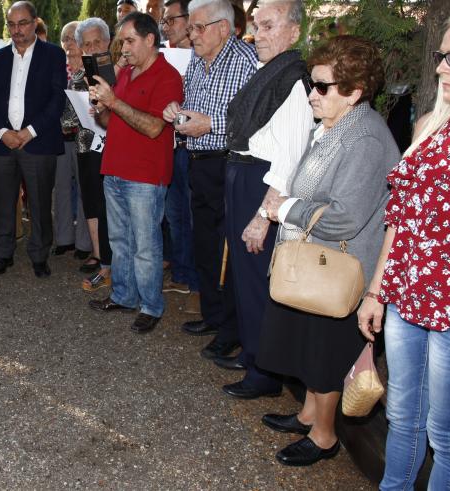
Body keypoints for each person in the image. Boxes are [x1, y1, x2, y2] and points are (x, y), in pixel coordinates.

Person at [356, 5, 450, 488]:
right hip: (407, 298)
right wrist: (377, 291)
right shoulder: (430, 128)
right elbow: (400, 218)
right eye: (442, 56)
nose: (442, 67)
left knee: (449, 435)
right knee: (402, 416)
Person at [255, 34, 398, 467]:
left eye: (322, 87)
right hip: (316, 262)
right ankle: (307, 414)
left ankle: (323, 436)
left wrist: (286, 208)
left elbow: (346, 217)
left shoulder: (366, 139)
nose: (312, 94)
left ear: (354, 91)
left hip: (339, 268)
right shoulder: (337, 125)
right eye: (311, 84)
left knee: (324, 356)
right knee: (307, 347)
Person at [213, 0, 314, 400]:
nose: (260, 35)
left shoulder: (292, 79)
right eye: (257, 26)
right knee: (243, 277)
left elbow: (289, 159)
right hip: (244, 174)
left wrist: (262, 216)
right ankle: (253, 354)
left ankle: (264, 374)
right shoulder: (269, 71)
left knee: (257, 281)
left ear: (294, 31)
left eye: (270, 26)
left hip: (264, 184)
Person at [163, 0, 256, 360]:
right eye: (192, 28)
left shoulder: (245, 61)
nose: (192, 34)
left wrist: (212, 123)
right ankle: (213, 315)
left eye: (199, 28)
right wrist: (177, 111)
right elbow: (192, 105)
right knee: (205, 242)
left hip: (229, 163)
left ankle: (231, 329)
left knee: (228, 249)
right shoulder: (198, 62)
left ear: (223, 27)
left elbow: (254, 120)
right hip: (198, 160)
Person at [87, 12, 183, 333]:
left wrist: (113, 101)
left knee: (146, 245)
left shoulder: (167, 76)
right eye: (122, 41)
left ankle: (151, 305)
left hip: (145, 175)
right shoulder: (126, 73)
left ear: (150, 39)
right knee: (119, 240)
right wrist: (101, 108)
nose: (123, 48)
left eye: (129, 41)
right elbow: (112, 123)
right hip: (114, 168)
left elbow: (155, 127)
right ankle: (124, 295)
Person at [0, 1, 67, 278]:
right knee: (4, 201)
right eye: (12, 24)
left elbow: (57, 100)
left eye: (22, 23)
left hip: (38, 142)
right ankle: (3, 253)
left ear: (34, 23)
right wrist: (2, 132)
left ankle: (39, 255)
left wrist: (29, 132)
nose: (16, 30)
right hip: (4, 142)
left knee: (40, 202)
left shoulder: (54, 55)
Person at [72, 18, 115, 291]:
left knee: (117, 209)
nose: (92, 48)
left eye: (97, 42)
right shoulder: (78, 76)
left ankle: (118, 267)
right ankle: (105, 263)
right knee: (95, 204)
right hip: (88, 147)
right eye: (86, 44)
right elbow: (66, 121)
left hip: (118, 149)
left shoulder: (121, 71)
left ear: (108, 42)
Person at [160, 0, 196, 310]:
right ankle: (182, 274)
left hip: (195, 148)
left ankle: (196, 280)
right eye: (164, 21)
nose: (166, 26)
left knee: (193, 215)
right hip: (171, 145)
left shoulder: (201, 56)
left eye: (171, 19)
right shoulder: (166, 57)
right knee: (175, 216)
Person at [54, 21, 92, 266]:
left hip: (86, 137)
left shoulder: (91, 69)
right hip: (59, 137)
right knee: (61, 189)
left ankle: (85, 243)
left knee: (85, 191)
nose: (68, 43)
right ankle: (63, 238)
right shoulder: (57, 68)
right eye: (64, 38)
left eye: (72, 38)